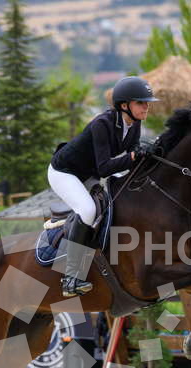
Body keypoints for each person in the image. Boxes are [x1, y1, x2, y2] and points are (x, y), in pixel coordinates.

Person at [48, 76, 158, 297]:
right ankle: (71, 278)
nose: (146, 107)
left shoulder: (134, 124)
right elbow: (105, 167)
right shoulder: (102, 124)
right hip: (65, 172)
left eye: (147, 102)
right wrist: (134, 156)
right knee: (88, 210)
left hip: (89, 172)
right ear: (124, 105)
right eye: (141, 102)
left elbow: (131, 154)